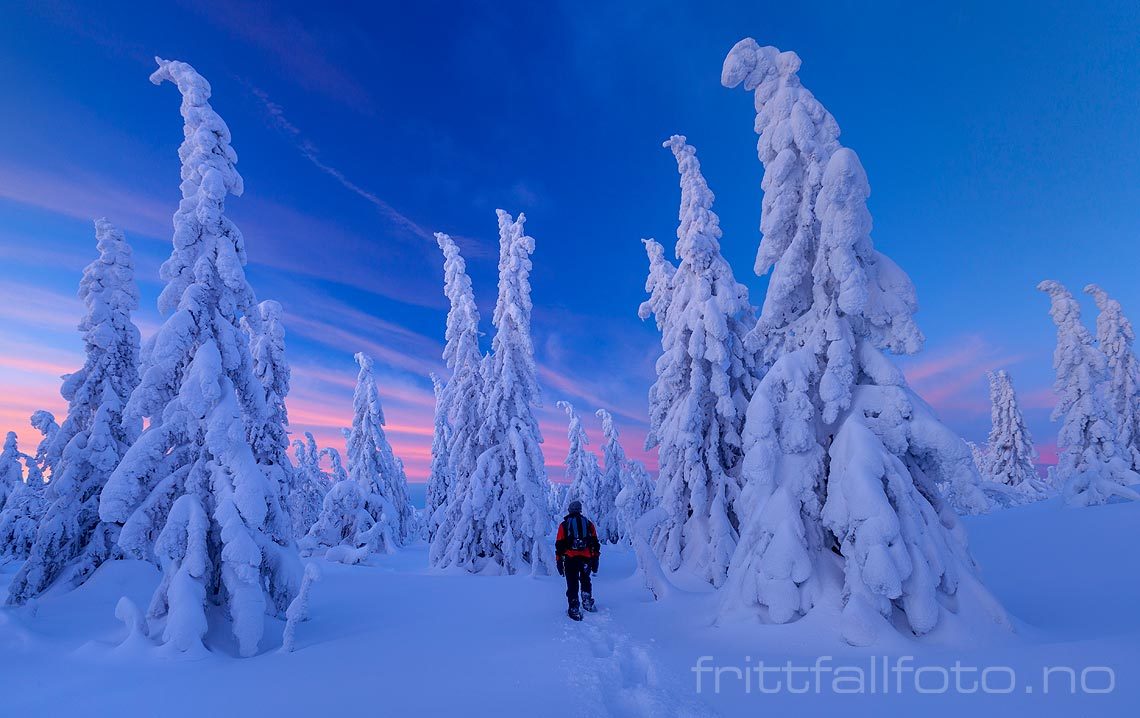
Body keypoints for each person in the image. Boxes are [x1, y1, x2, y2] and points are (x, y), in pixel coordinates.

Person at [555, 500, 601, 621]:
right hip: (586, 558)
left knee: (572, 582)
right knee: (585, 580)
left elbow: (559, 545)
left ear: (570, 510)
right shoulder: (588, 524)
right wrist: (595, 558)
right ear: (580, 510)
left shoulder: (564, 525)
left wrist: (559, 560)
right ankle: (586, 601)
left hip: (570, 559)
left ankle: (574, 607)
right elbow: (595, 543)